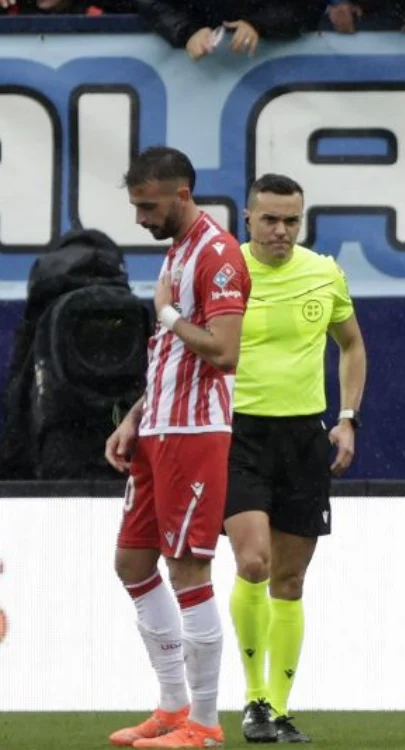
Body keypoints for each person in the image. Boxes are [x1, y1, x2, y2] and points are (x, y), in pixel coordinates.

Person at [105, 146, 251, 749]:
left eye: (148, 206)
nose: (140, 218)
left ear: (182, 193)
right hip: (159, 428)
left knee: (189, 568)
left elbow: (224, 350)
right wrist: (135, 416)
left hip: (194, 434)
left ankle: (206, 722)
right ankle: (172, 705)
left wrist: (165, 314)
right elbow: (171, 353)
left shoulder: (217, 254)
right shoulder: (179, 250)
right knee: (133, 562)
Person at [222, 174, 367, 744]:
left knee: (290, 578)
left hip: (304, 437)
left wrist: (348, 417)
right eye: (270, 220)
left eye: (291, 220)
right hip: (239, 433)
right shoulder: (223, 271)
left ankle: (279, 711)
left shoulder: (324, 273)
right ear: (248, 219)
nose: (281, 231)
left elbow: (351, 343)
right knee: (253, 561)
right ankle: (254, 698)